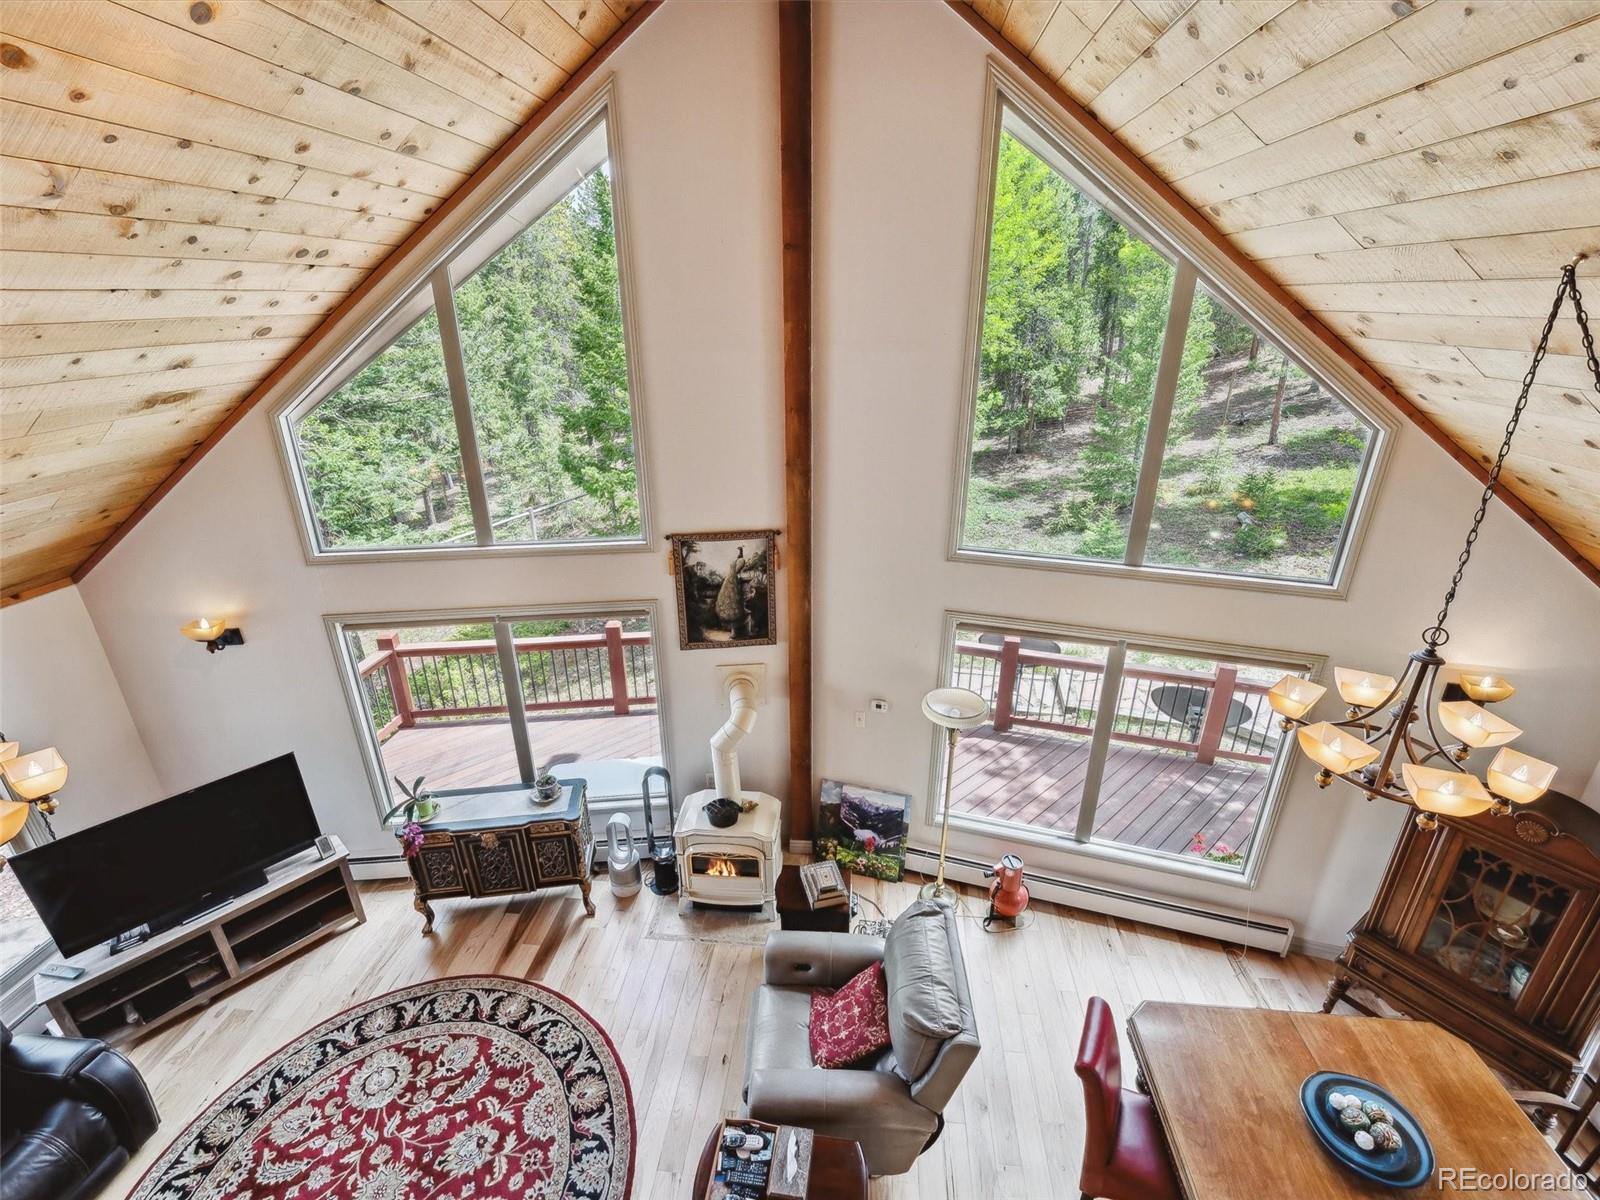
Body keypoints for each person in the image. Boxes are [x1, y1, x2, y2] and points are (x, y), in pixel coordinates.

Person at [715, 545, 747, 634]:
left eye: (739, 550)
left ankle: (734, 631)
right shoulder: (740, 560)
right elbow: (736, 571)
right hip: (732, 580)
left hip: (731, 579)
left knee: (733, 602)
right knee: (733, 601)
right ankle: (733, 630)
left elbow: (736, 571)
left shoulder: (739, 561)